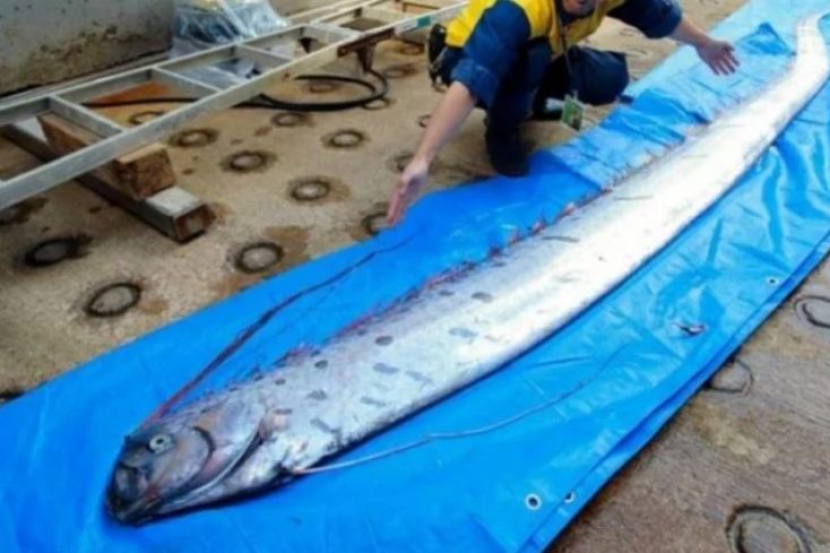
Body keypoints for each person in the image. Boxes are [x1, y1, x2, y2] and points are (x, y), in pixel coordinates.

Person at [386, 0, 740, 225]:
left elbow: (662, 17)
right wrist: (423, 158)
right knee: (529, 59)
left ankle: (530, 101)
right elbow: (472, 80)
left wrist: (705, 44)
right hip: (464, 58)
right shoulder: (519, 9)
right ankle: (502, 128)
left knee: (609, 78)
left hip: (547, 50)